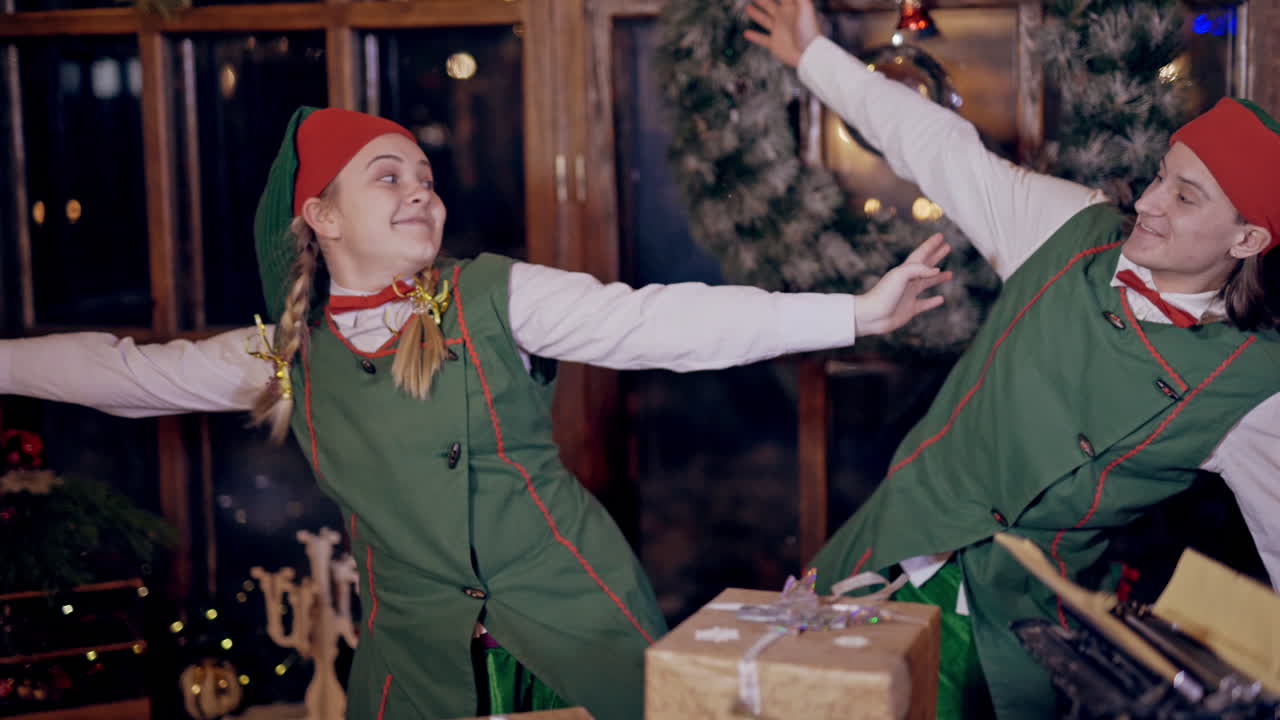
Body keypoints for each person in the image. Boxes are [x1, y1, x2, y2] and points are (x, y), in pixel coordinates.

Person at [0, 106, 954, 720]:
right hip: (417, 658)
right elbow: (126, 372)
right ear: (321, 218)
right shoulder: (289, 355)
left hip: (571, 621)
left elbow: (658, 319)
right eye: (387, 175)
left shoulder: (499, 296)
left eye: (425, 175)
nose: (421, 187)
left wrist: (855, 314)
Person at [745, 1, 1280, 719]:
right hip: (887, 549)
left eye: (1185, 197)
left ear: (1247, 241)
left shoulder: (1252, 387)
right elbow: (933, 143)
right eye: (1159, 177)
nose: (1149, 203)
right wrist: (813, 55)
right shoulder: (1070, 229)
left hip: (1022, 628)